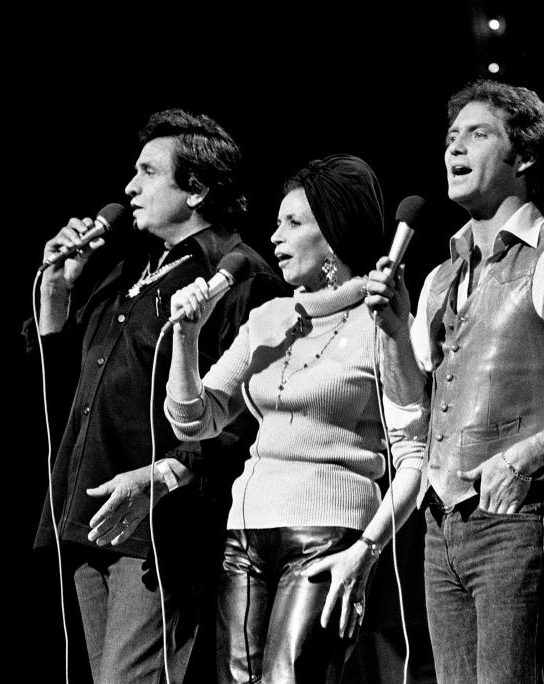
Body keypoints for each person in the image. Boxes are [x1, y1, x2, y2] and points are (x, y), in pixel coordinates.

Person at [364, 79, 544, 683]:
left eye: (477, 134)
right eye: (450, 137)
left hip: (521, 520)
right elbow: (413, 406)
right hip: (442, 528)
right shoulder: (439, 279)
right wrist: (391, 327)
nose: (454, 149)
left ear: (525, 156)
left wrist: (523, 459)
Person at [24, 108, 285, 684]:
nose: (128, 187)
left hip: (161, 527)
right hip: (92, 514)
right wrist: (57, 294)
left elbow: (248, 413)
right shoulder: (126, 271)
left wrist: (165, 475)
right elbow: (64, 391)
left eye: (147, 172)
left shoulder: (236, 277)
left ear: (197, 191)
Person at [163, 154, 426, 683]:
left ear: (332, 235)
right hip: (246, 528)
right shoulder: (270, 316)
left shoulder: (384, 318)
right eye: (277, 222)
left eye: (293, 223)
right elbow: (194, 420)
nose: (275, 237)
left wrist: (367, 550)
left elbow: (417, 450)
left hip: (329, 532)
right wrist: (187, 339)